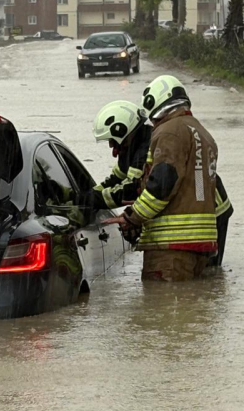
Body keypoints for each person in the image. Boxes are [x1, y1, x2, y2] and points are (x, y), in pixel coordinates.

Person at [109, 75, 221, 282]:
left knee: (162, 300)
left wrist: (131, 217)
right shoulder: (203, 133)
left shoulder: (169, 131)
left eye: (153, 119)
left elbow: (161, 186)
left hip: (170, 247)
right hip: (201, 245)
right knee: (188, 301)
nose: (153, 123)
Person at [92, 100, 151, 210]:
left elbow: (130, 189)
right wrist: (84, 193)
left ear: (121, 131)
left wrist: (91, 199)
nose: (111, 145)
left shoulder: (146, 149)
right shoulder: (132, 146)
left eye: (112, 140)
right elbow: (116, 179)